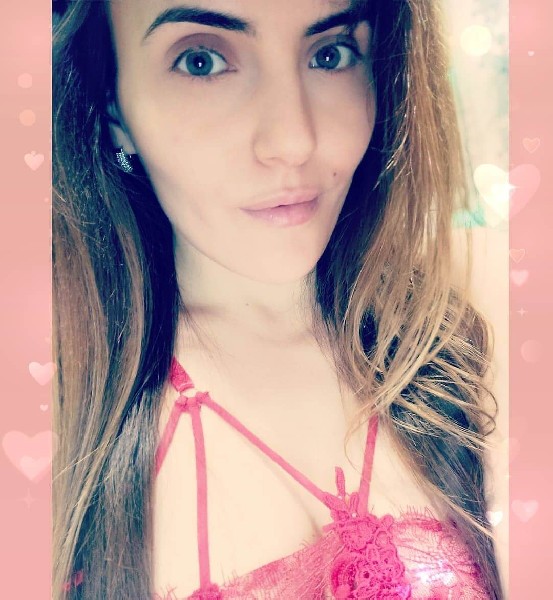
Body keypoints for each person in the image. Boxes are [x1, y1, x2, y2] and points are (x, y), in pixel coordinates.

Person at [52, 0, 506, 598]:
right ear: (113, 105)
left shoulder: (473, 327)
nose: (294, 141)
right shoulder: (58, 420)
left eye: (330, 54)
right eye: (201, 61)